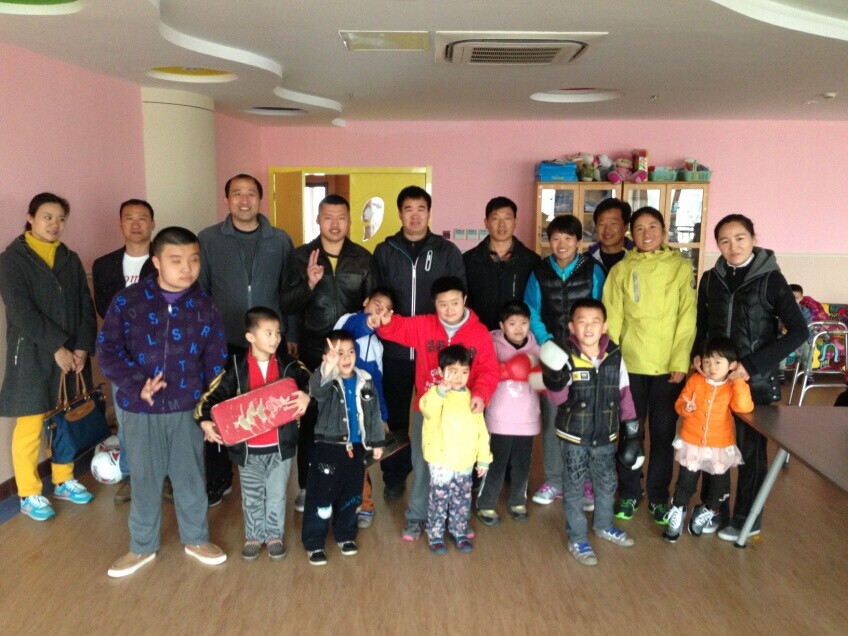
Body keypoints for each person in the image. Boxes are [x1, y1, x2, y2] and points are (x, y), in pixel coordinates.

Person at [98, 226, 229, 578]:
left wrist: (208, 410)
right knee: (144, 478)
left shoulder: (205, 305)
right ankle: (141, 546)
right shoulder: (128, 301)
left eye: (194, 260)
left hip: (187, 407)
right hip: (139, 408)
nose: (187, 268)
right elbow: (108, 348)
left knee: (190, 476)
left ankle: (196, 539)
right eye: (176, 260)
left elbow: (215, 361)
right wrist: (135, 383)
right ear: (156, 262)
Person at [692, 213, 807, 541]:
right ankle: (713, 508)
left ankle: (747, 517)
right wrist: (698, 355)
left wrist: (752, 365)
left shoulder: (771, 279)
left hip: (754, 384)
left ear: (753, 239)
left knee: (749, 453)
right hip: (715, 382)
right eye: (725, 241)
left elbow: (798, 331)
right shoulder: (711, 279)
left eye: (740, 238)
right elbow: (703, 325)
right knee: (713, 446)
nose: (733, 246)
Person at [372, 276, 498, 541]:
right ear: (434, 304)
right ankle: (417, 516)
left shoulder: (479, 333)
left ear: (465, 300)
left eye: (455, 302)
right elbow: (397, 328)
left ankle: (456, 519)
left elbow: (489, 370)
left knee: (460, 468)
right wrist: (385, 322)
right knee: (423, 463)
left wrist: (481, 394)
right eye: (443, 304)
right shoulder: (424, 325)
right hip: (428, 411)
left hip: (463, 413)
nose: (449, 309)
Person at [198, 173, 295, 507]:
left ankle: (269, 472)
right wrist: (205, 339)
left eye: (251, 193)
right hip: (223, 341)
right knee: (221, 408)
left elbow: (289, 293)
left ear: (260, 199)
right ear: (226, 199)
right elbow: (201, 292)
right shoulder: (209, 239)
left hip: (269, 343)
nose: (244, 200)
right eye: (237, 193)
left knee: (268, 407)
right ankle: (220, 478)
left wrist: (291, 334)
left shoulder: (279, 239)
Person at [0, 192, 97, 521]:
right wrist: (57, 347)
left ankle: (63, 479)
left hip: (72, 352)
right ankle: (28, 493)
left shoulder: (70, 258)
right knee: (30, 424)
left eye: (61, 218)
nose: (55, 224)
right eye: (47, 217)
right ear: (30, 218)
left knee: (65, 417)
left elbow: (85, 305)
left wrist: (81, 346)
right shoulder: (11, 260)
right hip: (31, 352)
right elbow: (21, 311)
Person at [282, 194, 377, 512]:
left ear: (349, 221)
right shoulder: (300, 257)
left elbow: (372, 306)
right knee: (312, 419)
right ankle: (308, 486)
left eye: (341, 217)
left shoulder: (363, 258)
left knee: (354, 417)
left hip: (352, 352)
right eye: (328, 217)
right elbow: (287, 303)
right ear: (318, 220)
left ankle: (354, 488)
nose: (335, 224)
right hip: (314, 351)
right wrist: (309, 284)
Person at [604, 206, 697, 525]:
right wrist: (611, 361)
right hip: (630, 365)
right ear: (632, 233)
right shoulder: (622, 269)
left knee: (662, 433)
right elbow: (612, 318)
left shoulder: (680, 268)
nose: (646, 234)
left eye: (652, 227)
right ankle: (629, 492)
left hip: (668, 367)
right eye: (640, 228)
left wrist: (680, 360)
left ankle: (658, 496)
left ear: (664, 231)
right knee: (630, 432)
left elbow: (687, 317)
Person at [373, 185, 466, 502]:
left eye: (421, 209)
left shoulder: (446, 251)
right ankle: (395, 476)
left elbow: (459, 299)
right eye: (408, 209)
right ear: (400, 213)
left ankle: (439, 475)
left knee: (438, 415)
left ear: (429, 213)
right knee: (396, 418)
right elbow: (377, 296)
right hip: (395, 351)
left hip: (435, 353)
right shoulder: (385, 251)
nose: (415, 215)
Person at [196, 307, 311, 561]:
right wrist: (204, 421)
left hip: (281, 448)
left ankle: (274, 536)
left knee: (277, 495)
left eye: (278, 333)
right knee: (251, 497)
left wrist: (307, 395)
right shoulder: (235, 368)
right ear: (250, 337)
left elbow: (311, 381)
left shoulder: (290, 365)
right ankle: (254, 536)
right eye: (268, 333)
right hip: (248, 451)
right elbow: (209, 398)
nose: (276, 338)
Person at [541, 299, 643, 566]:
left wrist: (632, 432)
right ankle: (577, 537)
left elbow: (625, 394)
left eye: (595, 322)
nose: (589, 328)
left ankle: (604, 525)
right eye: (582, 322)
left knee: (607, 482)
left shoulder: (615, 355)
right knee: (574, 486)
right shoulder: (565, 355)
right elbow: (557, 399)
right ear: (572, 326)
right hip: (573, 435)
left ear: (604, 326)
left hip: (606, 435)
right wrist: (554, 378)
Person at [523, 214, 604, 507]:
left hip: (585, 353)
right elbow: (531, 310)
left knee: (584, 419)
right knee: (553, 418)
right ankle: (554, 480)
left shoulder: (593, 270)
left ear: (578, 241)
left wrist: (587, 343)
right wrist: (547, 342)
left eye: (568, 238)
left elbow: (599, 309)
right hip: (551, 354)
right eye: (555, 238)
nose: (561, 244)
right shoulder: (539, 271)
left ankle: (586, 484)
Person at [92, 198, 157, 504]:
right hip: (121, 354)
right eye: (129, 218)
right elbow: (103, 308)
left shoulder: (164, 259)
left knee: (163, 416)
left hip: (159, 352)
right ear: (120, 224)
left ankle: (165, 476)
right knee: (126, 416)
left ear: (152, 224)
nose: (135, 224)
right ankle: (132, 476)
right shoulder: (103, 265)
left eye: (142, 218)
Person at [302, 330, 384, 566]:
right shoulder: (327, 380)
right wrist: (327, 367)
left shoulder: (365, 379)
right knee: (321, 496)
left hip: (355, 449)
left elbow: (373, 414)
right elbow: (316, 390)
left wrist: (377, 442)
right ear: (328, 356)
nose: (346, 357)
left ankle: (345, 535)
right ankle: (314, 542)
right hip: (328, 448)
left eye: (350, 352)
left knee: (351, 495)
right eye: (339, 353)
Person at [662, 337, 753, 543]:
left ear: (732, 365)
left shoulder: (732, 385)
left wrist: (738, 380)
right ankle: (678, 512)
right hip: (692, 442)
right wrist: (686, 408)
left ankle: (706, 510)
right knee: (685, 483)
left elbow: (744, 407)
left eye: (718, 362)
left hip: (720, 445)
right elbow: (680, 403)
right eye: (707, 362)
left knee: (719, 488)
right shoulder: (696, 380)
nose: (712, 367)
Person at [333, 287, 397, 529]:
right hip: (337, 408)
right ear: (365, 301)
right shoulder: (348, 321)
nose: (379, 312)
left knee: (359, 460)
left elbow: (377, 383)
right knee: (336, 459)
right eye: (376, 306)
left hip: (362, 413)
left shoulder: (378, 346)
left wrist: (382, 416)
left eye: (385, 310)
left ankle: (365, 504)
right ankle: (338, 504)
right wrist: (368, 322)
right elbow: (348, 330)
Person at [421, 344, 492, 554]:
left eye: (464, 372)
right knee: (439, 498)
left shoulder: (472, 397)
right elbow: (427, 410)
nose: (459, 377)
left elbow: (481, 430)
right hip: (441, 459)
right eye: (452, 371)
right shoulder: (435, 395)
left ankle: (458, 530)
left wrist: (483, 458)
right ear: (441, 371)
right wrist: (441, 390)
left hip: (465, 460)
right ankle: (435, 534)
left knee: (462, 498)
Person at [475, 300, 541, 526]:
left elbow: (543, 382)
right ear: (502, 325)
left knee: (522, 464)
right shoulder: (492, 344)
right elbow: (482, 371)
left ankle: (517, 501)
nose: (518, 328)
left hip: (527, 417)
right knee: (496, 462)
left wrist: (540, 373)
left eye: (523, 323)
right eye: (512, 323)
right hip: (500, 418)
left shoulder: (536, 347)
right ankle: (485, 503)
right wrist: (505, 370)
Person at [463, 196, 541, 331]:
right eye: (495, 218)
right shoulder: (469, 260)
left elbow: (535, 304)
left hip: (517, 336)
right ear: (486, 223)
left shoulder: (531, 261)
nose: (501, 224)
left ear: (515, 221)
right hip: (480, 335)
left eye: (507, 218)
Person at [586, 197, 634, 274]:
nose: (607, 229)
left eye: (614, 224)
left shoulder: (639, 257)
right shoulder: (585, 261)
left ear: (625, 227)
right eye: (602, 224)